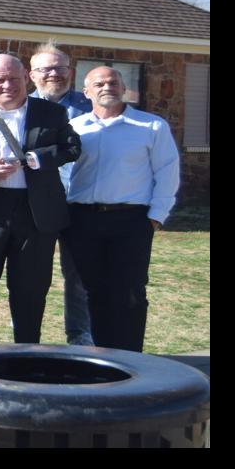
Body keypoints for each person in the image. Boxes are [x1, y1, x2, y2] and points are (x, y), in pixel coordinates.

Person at [0, 53, 80, 345]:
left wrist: (35, 158)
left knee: (30, 290)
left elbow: (71, 147)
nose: (7, 85)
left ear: (26, 79)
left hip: (36, 213)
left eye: (13, 79)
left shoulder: (51, 113)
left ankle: (26, 353)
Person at [63, 66, 180, 353]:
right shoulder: (74, 129)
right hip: (81, 221)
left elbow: (167, 172)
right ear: (86, 92)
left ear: (123, 88)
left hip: (130, 221)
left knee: (129, 293)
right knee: (90, 292)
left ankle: (129, 359)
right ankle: (100, 358)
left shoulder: (151, 126)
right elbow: (63, 175)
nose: (107, 87)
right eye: (99, 83)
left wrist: (155, 218)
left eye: (113, 82)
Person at [29, 43, 95, 346]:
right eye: (46, 69)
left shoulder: (91, 106)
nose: (54, 73)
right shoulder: (18, 106)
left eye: (60, 68)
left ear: (71, 72)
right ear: (32, 74)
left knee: (79, 277)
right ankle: (27, 339)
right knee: (28, 277)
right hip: (32, 205)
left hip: (80, 203)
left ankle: (79, 337)